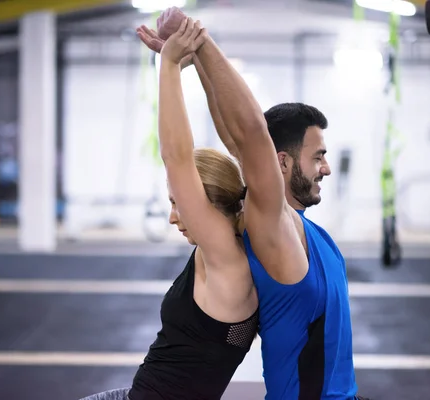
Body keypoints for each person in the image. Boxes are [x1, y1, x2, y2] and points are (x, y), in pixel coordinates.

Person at [152, 7, 368, 400]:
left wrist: (196, 57)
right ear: (281, 162)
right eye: (318, 156)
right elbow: (250, 133)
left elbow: (238, 138)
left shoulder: (307, 231)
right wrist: (197, 38)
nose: (327, 168)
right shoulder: (273, 230)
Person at [79, 17, 259, 400]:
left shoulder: (227, 260)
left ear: (209, 203)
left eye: (179, 202)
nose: (174, 215)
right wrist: (198, 62)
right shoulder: (228, 250)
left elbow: (177, 156)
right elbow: (234, 137)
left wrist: (170, 66)